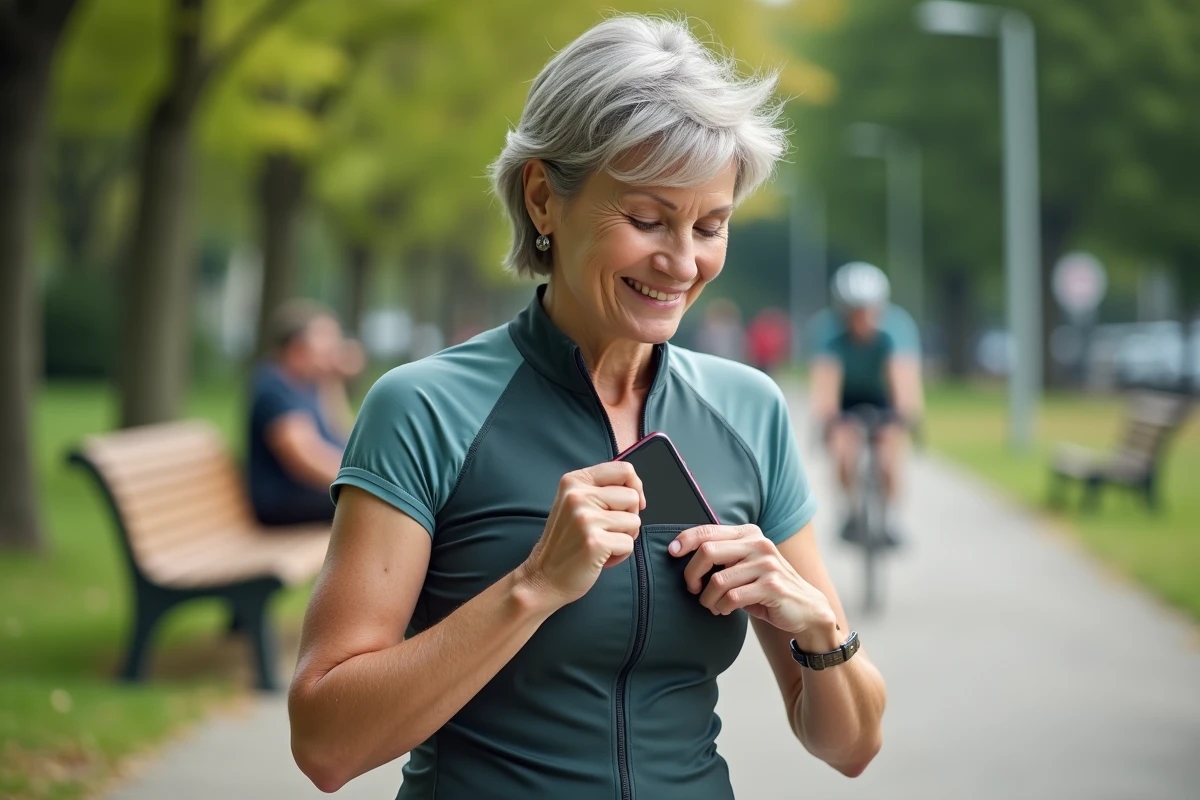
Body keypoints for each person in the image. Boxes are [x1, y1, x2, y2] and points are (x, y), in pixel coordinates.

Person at [287, 15, 886, 799]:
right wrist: (531, 586)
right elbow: (326, 743)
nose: (681, 261)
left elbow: (848, 747)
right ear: (544, 198)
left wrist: (818, 626)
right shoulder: (424, 409)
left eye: (710, 225)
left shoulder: (749, 410)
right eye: (646, 219)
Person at [807, 262, 924, 545]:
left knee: (888, 455)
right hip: (847, 397)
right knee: (843, 451)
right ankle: (852, 510)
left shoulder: (897, 327)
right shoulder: (827, 330)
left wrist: (906, 417)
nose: (862, 318)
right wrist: (828, 420)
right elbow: (825, 381)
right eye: (854, 311)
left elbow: (904, 378)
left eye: (868, 310)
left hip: (883, 396)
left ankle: (890, 517)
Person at [246, 300, 363, 527]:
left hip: (307, 494)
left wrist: (332, 377)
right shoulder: (275, 386)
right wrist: (361, 481)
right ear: (298, 346)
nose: (335, 349)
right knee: (377, 504)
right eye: (327, 340)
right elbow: (304, 458)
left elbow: (341, 431)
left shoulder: (308, 383)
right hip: (283, 503)